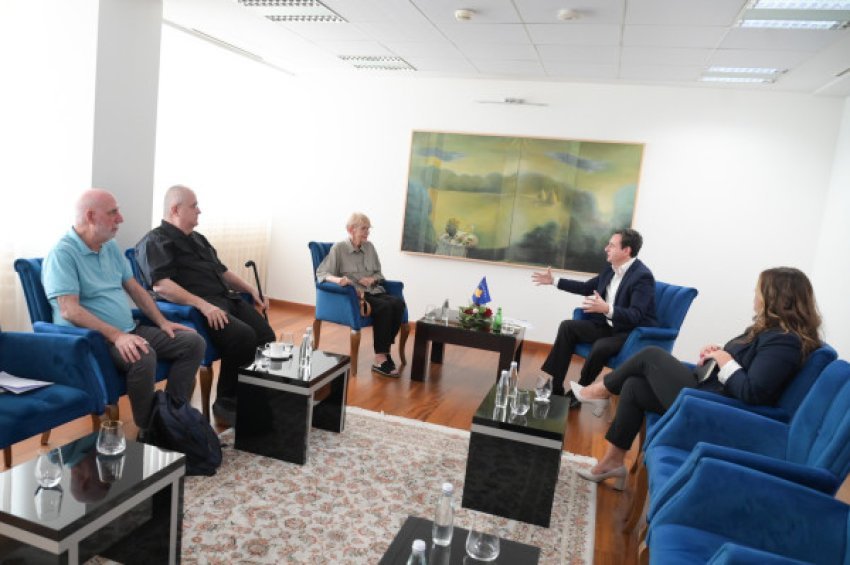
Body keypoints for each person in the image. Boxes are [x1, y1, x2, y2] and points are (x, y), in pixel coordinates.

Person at [572, 267, 822, 489]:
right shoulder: (768, 330)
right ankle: (613, 462)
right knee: (634, 385)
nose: (755, 297)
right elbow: (747, 363)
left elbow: (752, 391)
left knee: (650, 355)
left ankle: (598, 392)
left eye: (759, 291)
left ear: (776, 298)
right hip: (707, 390)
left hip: (713, 407)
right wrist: (717, 353)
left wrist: (725, 360)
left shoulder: (784, 342)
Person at [43, 189, 205, 436]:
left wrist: (162, 322)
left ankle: (171, 416)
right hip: (92, 341)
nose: (120, 218)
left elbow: (136, 289)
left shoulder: (108, 247)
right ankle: (149, 429)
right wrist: (117, 336)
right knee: (142, 355)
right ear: (90, 216)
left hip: (129, 330)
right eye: (113, 213)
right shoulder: (62, 254)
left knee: (193, 342)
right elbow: (69, 310)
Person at [134, 185, 276, 427]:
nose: (199, 210)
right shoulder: (155, 241)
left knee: (266, 335)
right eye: (194, 206)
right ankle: (226, 401)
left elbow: (222, 271)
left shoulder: (198, 238)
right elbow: (161, 286)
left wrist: (250, 289)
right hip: (198, 309)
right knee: (243, 337)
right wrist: (203, 305)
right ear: (175, 210)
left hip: (226, 299)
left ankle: (248, 393)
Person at [531, 228, 657, 404]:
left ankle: (582, 390)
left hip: (630, 333)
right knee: (567, 327)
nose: (606, 248)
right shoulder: (611, 270)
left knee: (600, 346)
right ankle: (556, 386)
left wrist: (607, 308)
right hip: (608, 326)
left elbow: (636, 315)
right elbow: (585, 287)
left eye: (611, 245)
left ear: (626, 250)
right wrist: (554, 281)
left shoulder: (642, 277)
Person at [315, 212, 405, 376]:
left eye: (368, 229)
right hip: (357, 296)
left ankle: (384, 351)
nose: (367, 232)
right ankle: (380, 358)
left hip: (375, 291)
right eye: (364, 229)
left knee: (398, 303)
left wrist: (372, 279)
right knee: (385, 307)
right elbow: (322, 273)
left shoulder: (370, 247)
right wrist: (339, 280)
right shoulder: (339, 249)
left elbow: (379, 274)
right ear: (351, 229)